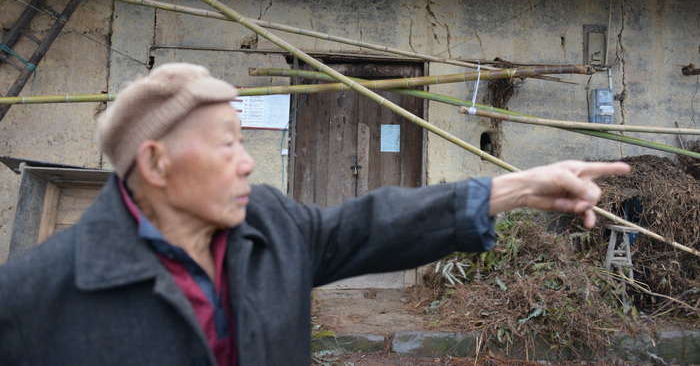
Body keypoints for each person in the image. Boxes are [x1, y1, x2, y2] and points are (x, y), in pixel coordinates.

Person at [0, 63, 630, 365]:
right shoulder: (34, 297)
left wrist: (517, 189)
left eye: (245, 144)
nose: (247, 164)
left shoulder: (268, 229)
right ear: (157, 164)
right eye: (227, 146)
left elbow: (373, 223)